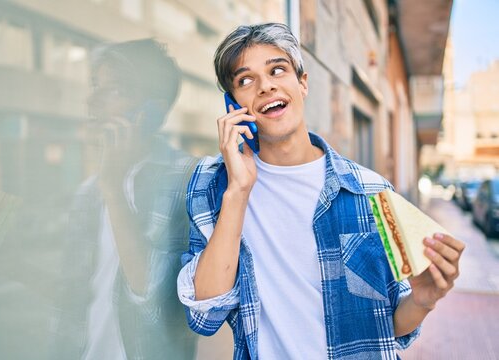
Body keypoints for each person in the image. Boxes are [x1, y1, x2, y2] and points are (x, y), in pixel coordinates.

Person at [177, 23, 465, 359]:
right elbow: (204, 317)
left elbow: (389, 327)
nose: (266, 86)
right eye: (245, 80)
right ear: (233, 105)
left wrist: (421, 301)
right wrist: (238, 192)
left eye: (277, 70)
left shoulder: (370, 192)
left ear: (302, 83)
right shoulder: (212, 186)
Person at [50, 39, 198, 360]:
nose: (93, 101)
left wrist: (114, 189)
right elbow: (73, 297)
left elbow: (157, 300)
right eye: (94, 87)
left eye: (114, 90)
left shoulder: (187, 180)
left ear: (151, 113)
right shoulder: (88, 193)